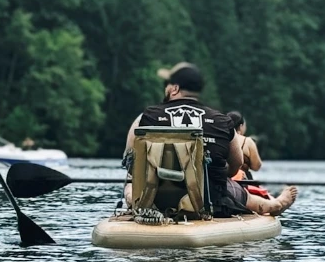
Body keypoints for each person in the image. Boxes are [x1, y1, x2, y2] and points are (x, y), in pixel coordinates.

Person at [123, 62, 296, 216]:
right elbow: (236, 164)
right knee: (239, 193)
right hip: (210, 198)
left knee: (131, 182)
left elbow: (130, 161)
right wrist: (220, 174)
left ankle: (136, 201)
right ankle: (274, 204)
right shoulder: (222, 121)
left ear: (174, 88)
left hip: (154, 195)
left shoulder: (144, 118)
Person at [226, 111, 262, 181]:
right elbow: (256, 166)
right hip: (242, 180)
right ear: (241, 126)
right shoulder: (247, 141)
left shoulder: (220, 138)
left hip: (223, 178)